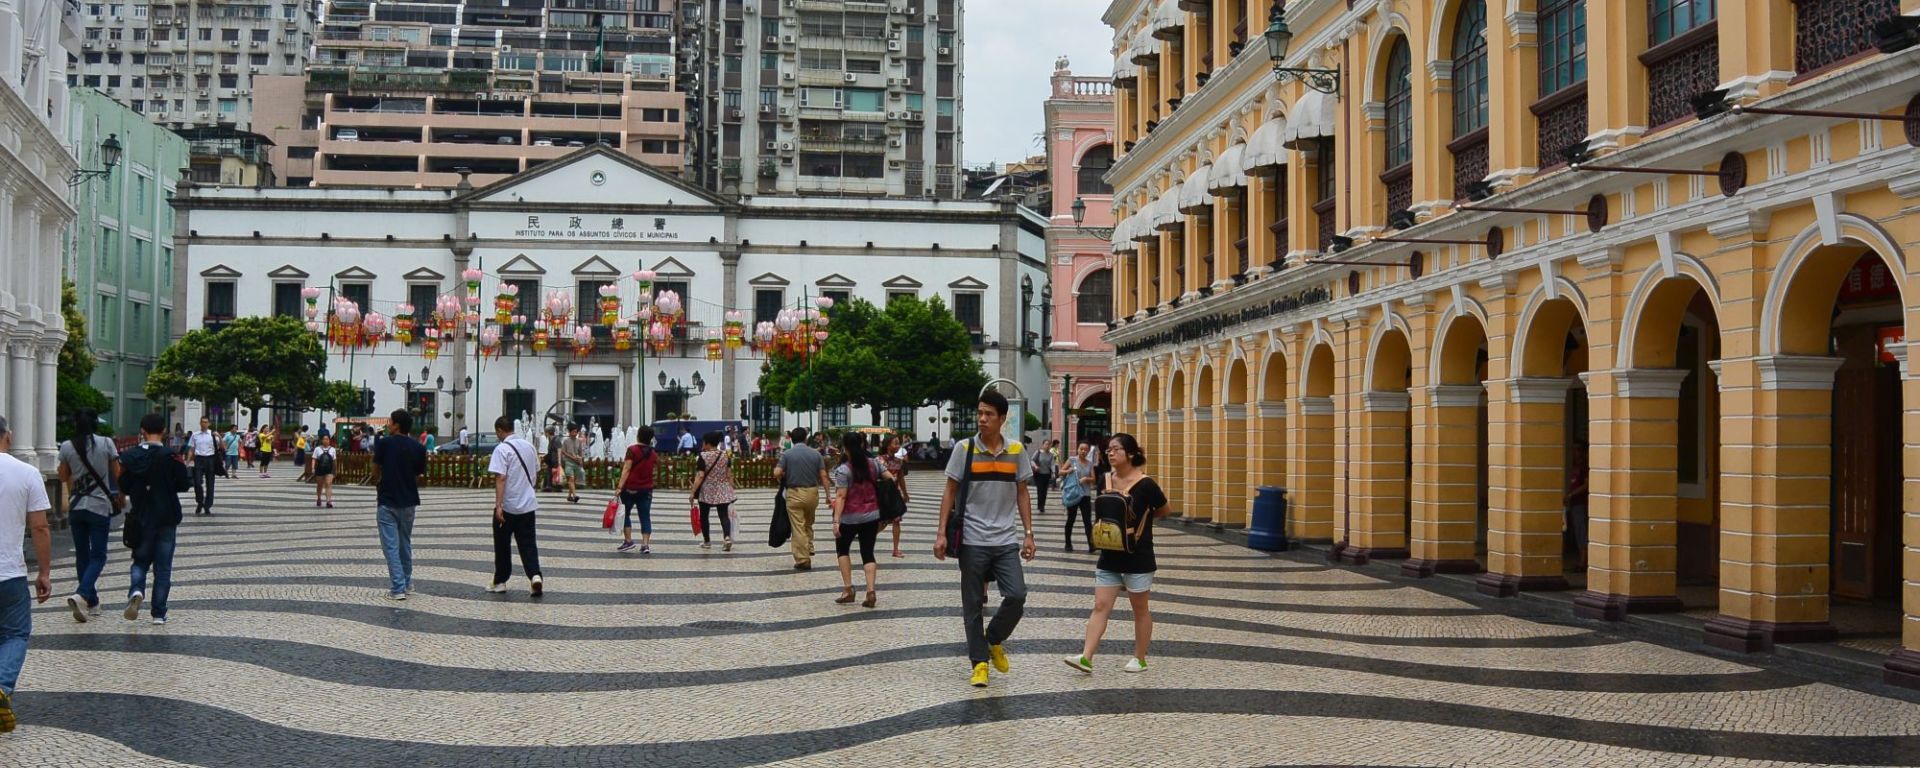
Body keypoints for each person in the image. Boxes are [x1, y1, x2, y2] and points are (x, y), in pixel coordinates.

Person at [934, 390, 1036, 688]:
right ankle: (979, 663)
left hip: (1005, 539)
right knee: (973, 603)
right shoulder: (964, 449)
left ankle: (993, 639)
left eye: (989, 414)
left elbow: (1022, 492)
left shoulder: (1016, 451)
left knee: (1017, 595)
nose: (982, 419)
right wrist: (941, 533)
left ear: (1003, 419)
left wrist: (1029, 534)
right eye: (979, 413)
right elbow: (950, 491)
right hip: (972, 539)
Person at [1065, 433, 1170, 675]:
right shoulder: (1105, 480)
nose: (1110, 453)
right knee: (1100, 605)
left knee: (1140, 609)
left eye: (1116, 449)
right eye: (1108, 449)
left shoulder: (1147, 484)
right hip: (1110, 554)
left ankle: (1140, 658)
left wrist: (1140, 523)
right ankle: (1086, 656)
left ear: (1130, 454)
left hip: (1138, 556)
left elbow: (1165, 509)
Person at [0, 415, 53, 733]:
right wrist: (44, 572)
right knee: (15, 634)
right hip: (9, 573)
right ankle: (2, 686)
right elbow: (40, 527)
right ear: (8, 435)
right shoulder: (27, 473)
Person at [121, 412, 192, 626]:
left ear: (142, 430)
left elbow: (123, 485)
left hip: (141, 516)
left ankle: (136, 590)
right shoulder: (171, 456)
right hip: (166, 515)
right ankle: (159, 612)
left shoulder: (130, 456)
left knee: (140, 560)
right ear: (163, 431)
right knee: (163, 567)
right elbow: (183, 484)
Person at [57, 409, 118, 622]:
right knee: (98, 555)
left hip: (76, 506)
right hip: (99, 505)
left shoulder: (66, 446)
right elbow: (117, 472)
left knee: (82, 555)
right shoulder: (107, 443)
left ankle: (92, 602)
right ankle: (83, 593)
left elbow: (63, 476)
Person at [831, 432, 895, 607]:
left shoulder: (843, 470)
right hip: (871, 515)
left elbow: (841, 497)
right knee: (868, 553)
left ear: (845, 447)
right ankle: (871, 591)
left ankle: (848, 589)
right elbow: (891, 479)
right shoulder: (874, 464)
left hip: (849, 518)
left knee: (842, 550)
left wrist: (836, 521)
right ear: (862, 445)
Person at [371, 409, 428, 600]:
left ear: (396, 425)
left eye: (390, 422)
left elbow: (376, 468)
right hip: (409, 501)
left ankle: (398, 587)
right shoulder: (419, 448)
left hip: (388, 500)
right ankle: (407, 581)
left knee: (391, 546)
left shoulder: (385, 444)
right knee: (405, 543)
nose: (387, 425)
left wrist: (377, 480)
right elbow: (419, 474)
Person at [487, 415, 544, 596]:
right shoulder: (529, 446)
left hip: (509, 505)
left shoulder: (502, 449)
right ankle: (535, 575)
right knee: (528, 543)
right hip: (528, 504)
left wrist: (498, 505)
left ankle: (501, 581)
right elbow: (535, 472)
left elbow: (501, 477)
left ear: (499, 430)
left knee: (502, 544)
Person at [774, 427, 829, 570]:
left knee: (798, 526)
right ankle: (809, 546)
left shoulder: (787, 454)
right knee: (808, 522)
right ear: (806, 438)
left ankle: (803, 559)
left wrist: (782, 477)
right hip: (812, 492)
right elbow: (823, 476)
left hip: (795, 493)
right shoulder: (816, 454)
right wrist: (828, 495)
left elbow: (777, 472)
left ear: (791, 439)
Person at [689, 431, 737, 551]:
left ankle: (707, 541)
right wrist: (731, 489)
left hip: (707, 489)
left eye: (704, 442)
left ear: (708, 443)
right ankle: (727, 538)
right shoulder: (725, 455)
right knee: (724, 515)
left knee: (704, 516)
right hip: (722, 488)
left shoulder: (703, 456)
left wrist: (693, 491)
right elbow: (729, 474)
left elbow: (700, 475)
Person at [614, 426, 658, 553]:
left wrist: (619, 487)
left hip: (630, 488)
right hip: (646, 489)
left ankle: (628, 541)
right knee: (645, 516)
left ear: (638, 435)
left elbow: (627, 468)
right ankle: (645, 545)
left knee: (625, 513)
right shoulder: (653, 453)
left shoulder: (632, 450)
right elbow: (654, 471)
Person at [1062, 439, 1097, 552]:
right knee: (1070, 519)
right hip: (1073, 494)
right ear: (1077, 449)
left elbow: (1094, 479)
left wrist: (1087, 479)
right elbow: (1060, 471)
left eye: (1086, 450)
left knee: (1087, 520)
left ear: (1088, 451)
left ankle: (1091, 545)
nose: (1083, 451)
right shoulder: (1072, 460)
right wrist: (1068, 471)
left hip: (1085, 495)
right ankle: (1068, 543)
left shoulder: (1090, 463)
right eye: (1081, 449)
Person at [878, 434, 910, 558]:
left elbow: (901, 478)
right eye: (895, 443)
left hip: (894, 494)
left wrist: (905, 493)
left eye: (898, 443)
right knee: (880, 522)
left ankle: (896, 549)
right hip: (882, 494)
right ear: (887, 445)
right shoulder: (880, 460)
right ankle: (866, 537)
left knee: (897, 520)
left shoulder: (899, 462)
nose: (897, 446)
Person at [1566, 442, 1590, 570]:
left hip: (1581, 503)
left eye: (1577, 450)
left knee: (1582, 531)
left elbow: (1586, 485)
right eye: (1573, 450)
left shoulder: (1585, 467)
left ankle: (1583, 561)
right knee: (1578, 530)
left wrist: (1571, 495)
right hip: (1575, 503)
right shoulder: (1576, 467)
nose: (1575, 453)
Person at [188, 418, 219, 515]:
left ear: (209, 423)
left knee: (210, 484)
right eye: (202, 422)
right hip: (199, 459)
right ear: (200, 423)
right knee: (197, 482)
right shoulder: (195, 435)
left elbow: (223, 447)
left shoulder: (212, 435)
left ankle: (207, 505)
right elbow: (192, 448)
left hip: (210, 459)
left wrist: (220, 437)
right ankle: (200, 502)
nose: (204, 424)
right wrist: (188, 461)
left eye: (206, 422)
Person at [557, 424, 585, 503]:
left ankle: (569, 496)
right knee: (571, 479)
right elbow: (563, 452)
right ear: (569, 432)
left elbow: (580, 452)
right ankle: (575, 496)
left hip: (577, 463)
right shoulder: (566, 441)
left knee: (572, 481)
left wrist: (580, 460)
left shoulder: (578, 441)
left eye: (576, 432)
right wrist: (571, 457)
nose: (575, 433)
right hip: (568, 462)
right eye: (573, 432)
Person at [310, 434, 339, 508]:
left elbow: (334, 460)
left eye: (327, 439)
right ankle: (319, 498)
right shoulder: (317, 449)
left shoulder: (333, 449)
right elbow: (314, 459)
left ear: (329, 440)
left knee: (328, 483)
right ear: (321, 440)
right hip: (320, 469)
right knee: (320, 484)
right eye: (324, 439)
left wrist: (335, 469)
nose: (326, 441)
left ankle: (328, 501)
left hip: (329, 469)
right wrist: (313, 468)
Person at [1030, 437, 1056, 515]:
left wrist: (1054, 472)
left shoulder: (1051, 455)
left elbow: (1052, 464)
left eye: (1049, 445)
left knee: (1044, 491)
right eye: (1046, 444)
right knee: (1040, 490)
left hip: (1046, 474)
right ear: (1043, 445)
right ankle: (1040, 505)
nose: (1048, 446)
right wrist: (1035, 466)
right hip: (1038, 474)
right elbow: (1032, 460)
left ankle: (1042, 505)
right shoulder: (1038, 452)